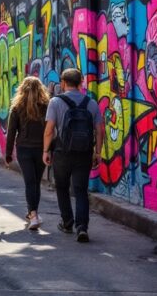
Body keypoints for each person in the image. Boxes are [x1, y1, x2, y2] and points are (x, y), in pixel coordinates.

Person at [43, 68, 104, 243]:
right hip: (84, 153)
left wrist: (46, 151)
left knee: (62, 187)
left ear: (62, 83)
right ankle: (82, 227)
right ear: (80, 83)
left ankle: (68, 222)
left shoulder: (55, 102)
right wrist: (98, 152)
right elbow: (99, 130)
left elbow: (49, 130)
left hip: (63, 153)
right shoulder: (91, 103)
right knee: (81, 190)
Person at [5, 76, 49, 230]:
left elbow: (11, 132)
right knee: (35, 182)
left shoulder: (17, 108)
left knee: (30, 182)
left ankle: (33, 214)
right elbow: (51, 130)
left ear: (22, 89)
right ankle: (33, 213)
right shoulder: (46, 106)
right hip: (41, 149)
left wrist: (8, 154)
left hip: (24, 149)